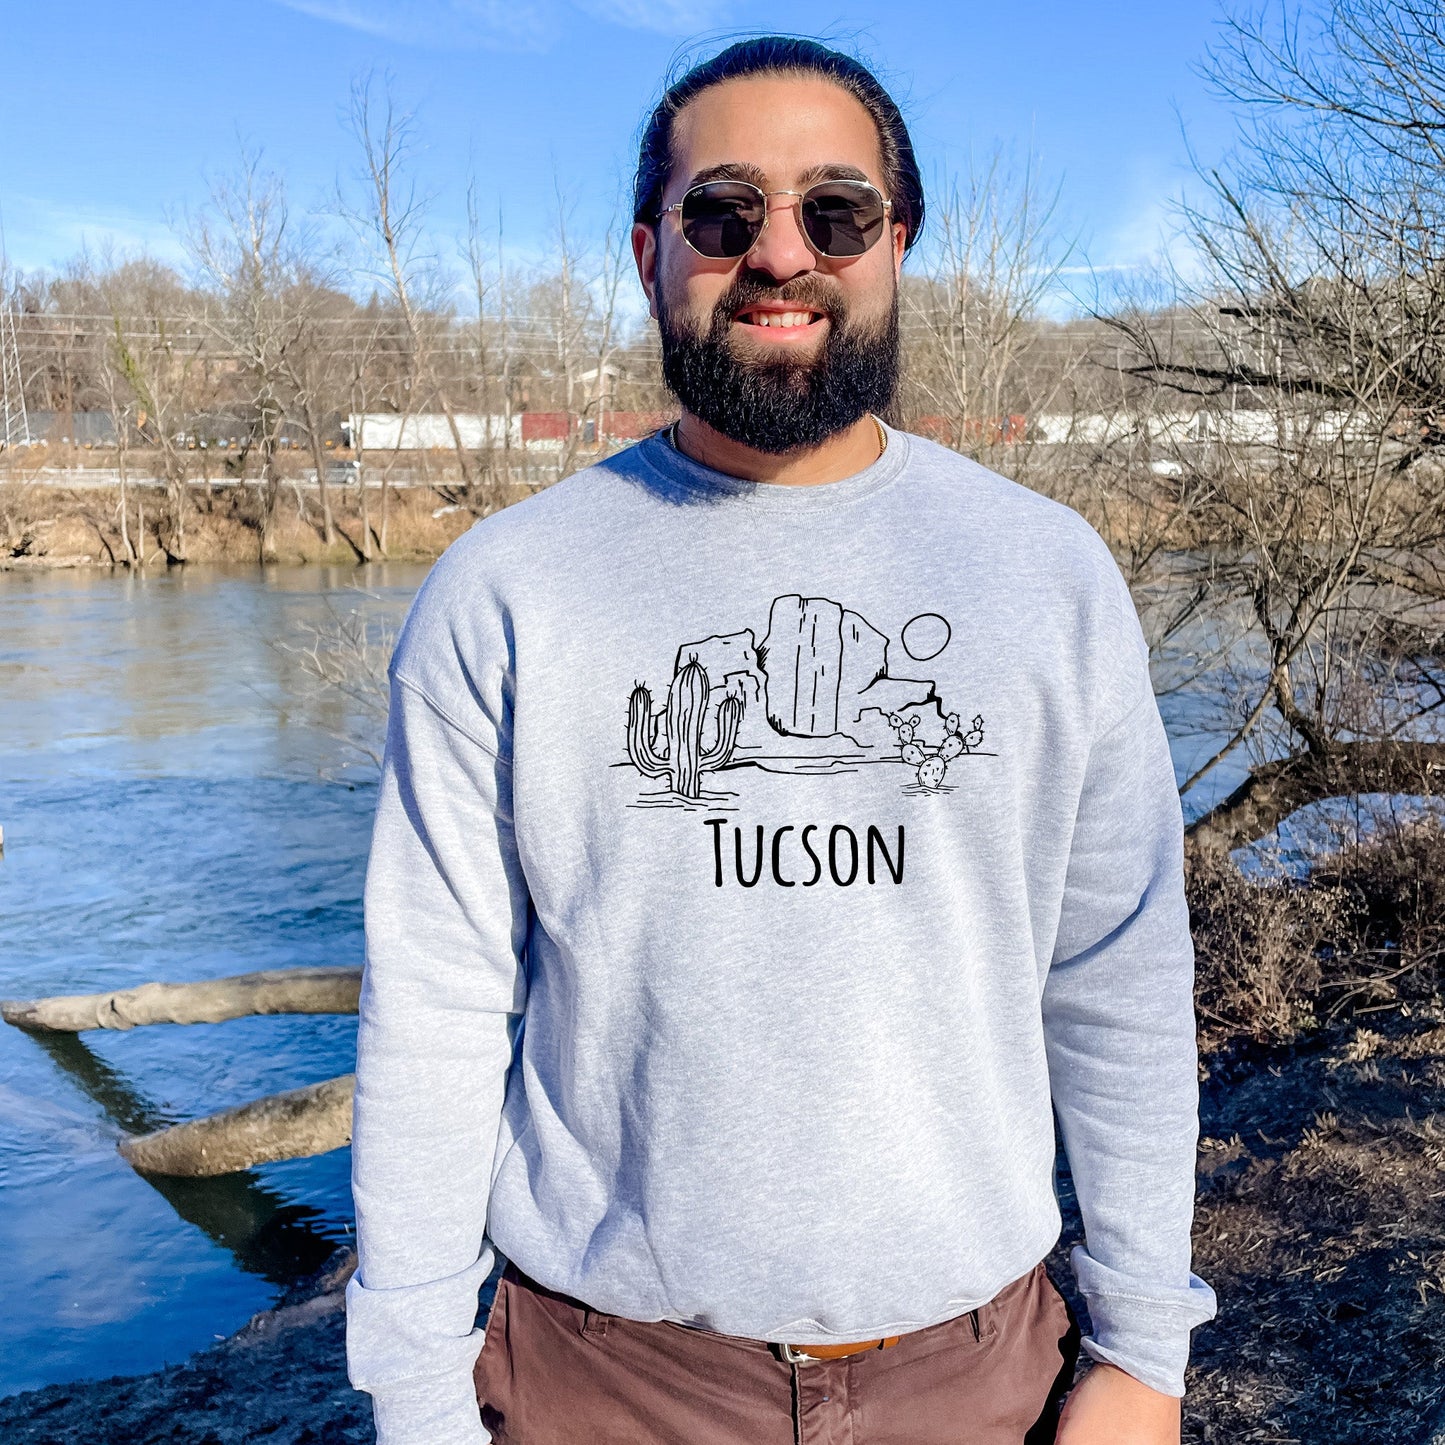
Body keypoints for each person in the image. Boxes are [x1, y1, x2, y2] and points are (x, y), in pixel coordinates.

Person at [344, 35, 1218, 1445]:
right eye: (721, 210)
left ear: (895, 242)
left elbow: (1114, 978)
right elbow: (436, 1011)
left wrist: (1142, 1350)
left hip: (981, 1374)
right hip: (600, 1383)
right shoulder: (506, 589)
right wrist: (415, 1391)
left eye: (835, 210)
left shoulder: (1045, 575)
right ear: (649, 252)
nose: (778, 252)